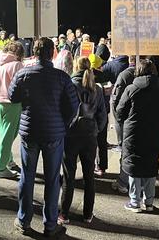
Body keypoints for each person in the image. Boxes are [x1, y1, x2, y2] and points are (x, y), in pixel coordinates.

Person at [9, 37, 79, 237]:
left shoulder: (24, 74)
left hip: (29, 132)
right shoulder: (62, 77)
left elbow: (12, 96)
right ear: (52, 53)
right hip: (54, 134)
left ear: (35, 52)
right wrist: (62, 123)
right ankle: (50, 224)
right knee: (52, 179)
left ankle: (23, 220)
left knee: (27, 176)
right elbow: (73, 106)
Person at [58, 56, 107, 224]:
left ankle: (64, 214)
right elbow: (102, 115)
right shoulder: (97, 88)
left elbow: (63, 110)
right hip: (90, 136)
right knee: (89, 177)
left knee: (68, 176)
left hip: (71, 135)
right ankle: (87, 214)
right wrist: (96, 129)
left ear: (76, 67)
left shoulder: (69, 85)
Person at [116, 59, 159, 213]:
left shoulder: (131, 89)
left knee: (134, 165)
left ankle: (134, 201)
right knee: (150, 164)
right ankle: (149, 201)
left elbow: (120, 111)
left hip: (134, 131)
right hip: (154, 130)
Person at [0, 41, 25, 179]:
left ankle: (8, 160)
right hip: (12, 103)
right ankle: (1, 167)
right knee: (8, 135)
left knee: (4, 133)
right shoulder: (17, 65)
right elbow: (21, 85)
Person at [110, 55, 137, 194]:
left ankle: (123, 181)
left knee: (126, 150)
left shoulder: (125, 75)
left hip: (127, 120)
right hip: (141, 119)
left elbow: (115, 100)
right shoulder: (152, 75)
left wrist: (118, 118)